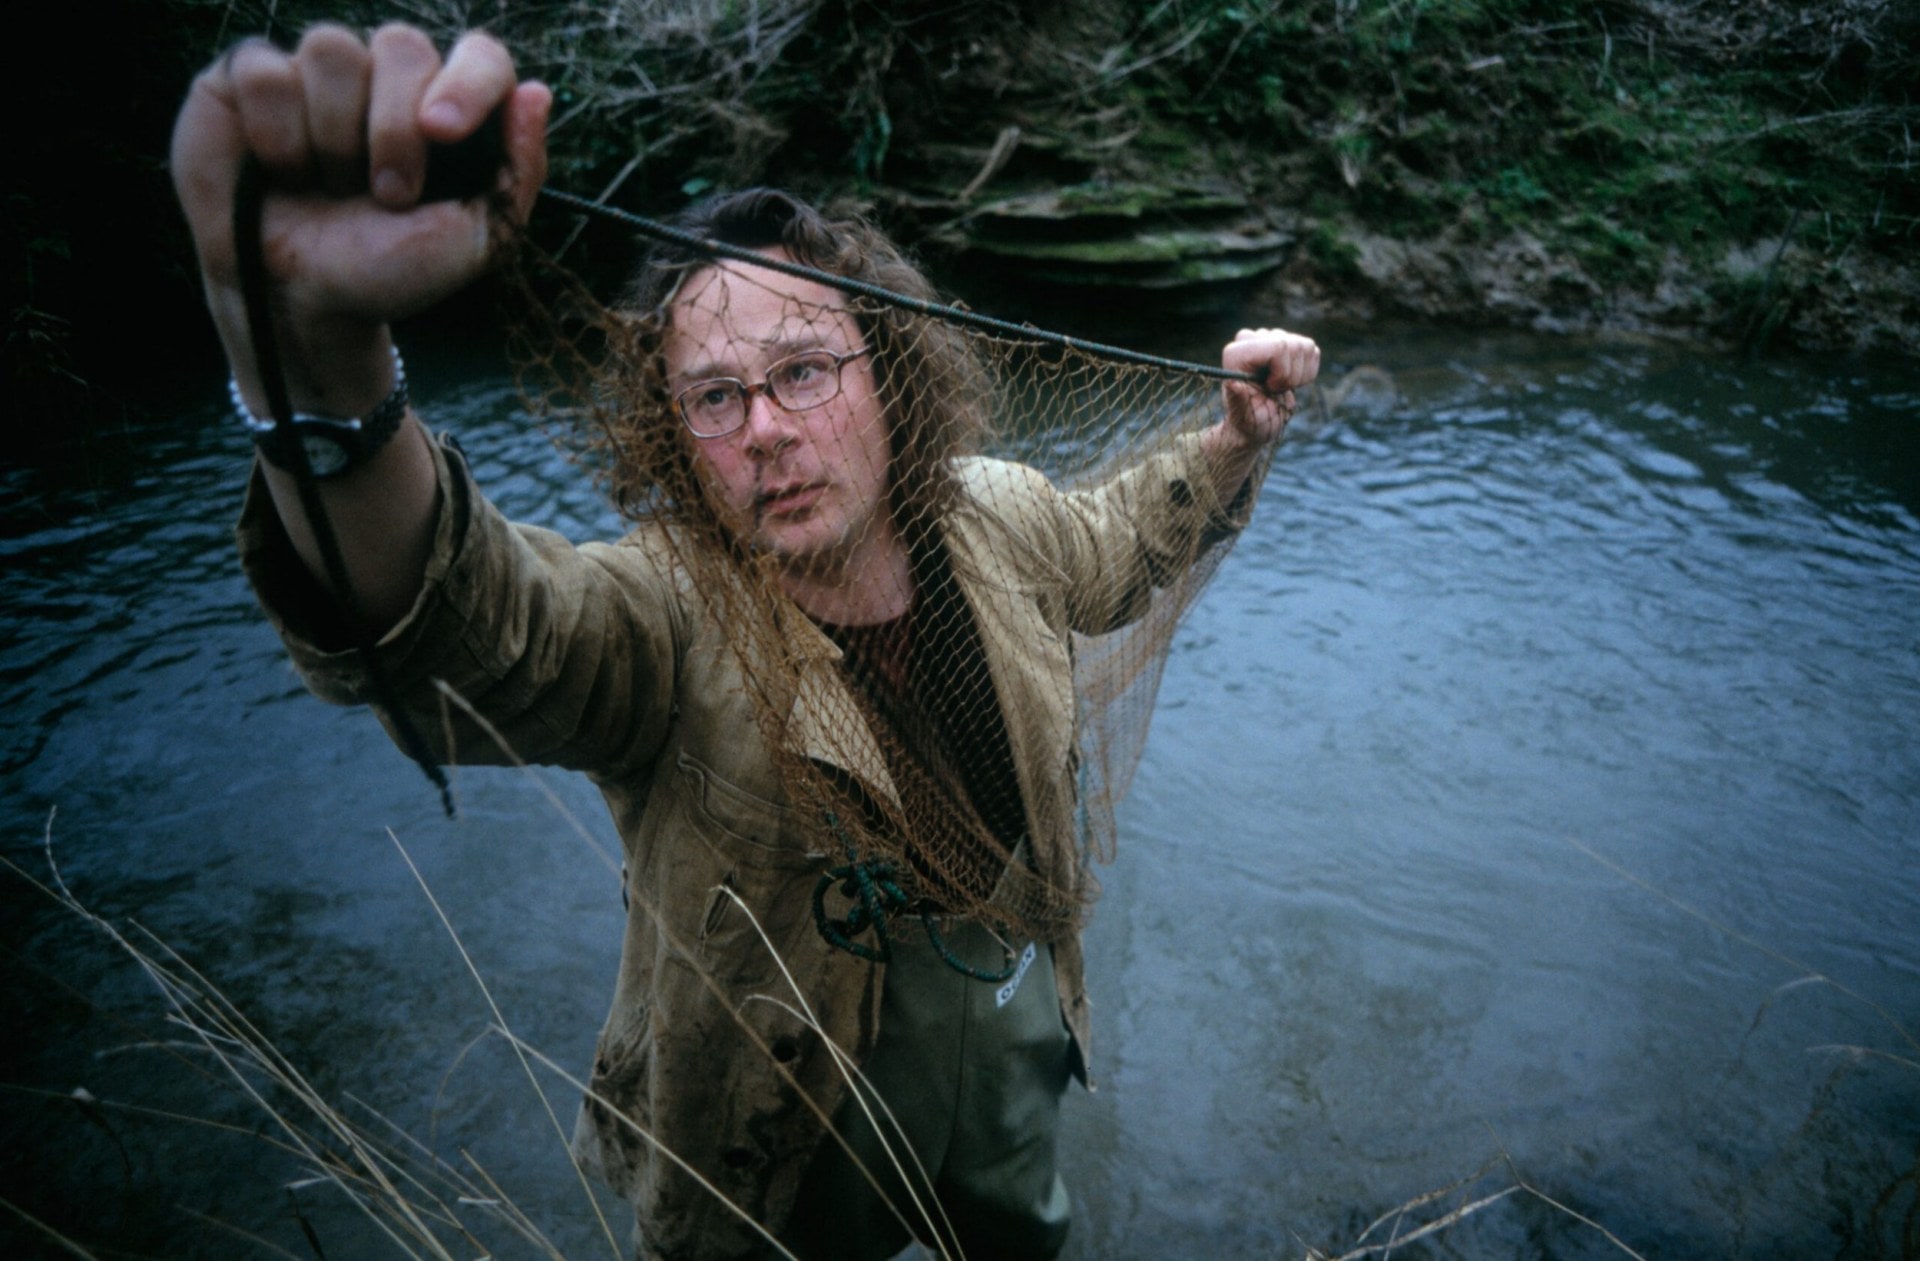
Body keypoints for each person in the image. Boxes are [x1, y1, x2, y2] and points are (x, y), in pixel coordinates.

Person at [172, 23, 1319, 1261]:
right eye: (716, 397)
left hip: (1006, 1019)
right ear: (675, 434)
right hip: (779, 1137)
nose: (765, 429)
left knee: (1021, 1228)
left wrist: (1233, 438)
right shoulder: (663, 616)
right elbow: (473, 619)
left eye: (804, 372)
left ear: (889, 378)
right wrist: (316, 371)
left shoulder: (998, 517)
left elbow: (1119, 536)